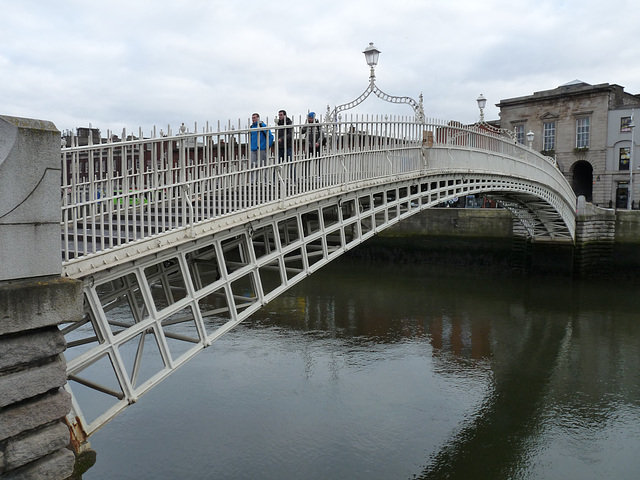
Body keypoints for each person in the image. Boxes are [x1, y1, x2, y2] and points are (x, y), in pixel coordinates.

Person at [249, 113, 273, 181]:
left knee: (264, 164)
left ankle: (265, 180)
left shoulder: (262, 125)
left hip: (262, 148)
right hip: (253, 148)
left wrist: (268, 145)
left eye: (254, 118)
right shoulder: (251, 127)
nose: (253, 119)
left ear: (258, 118)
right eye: (252, 118)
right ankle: (253, 180)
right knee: (253, 165)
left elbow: (270, 136)